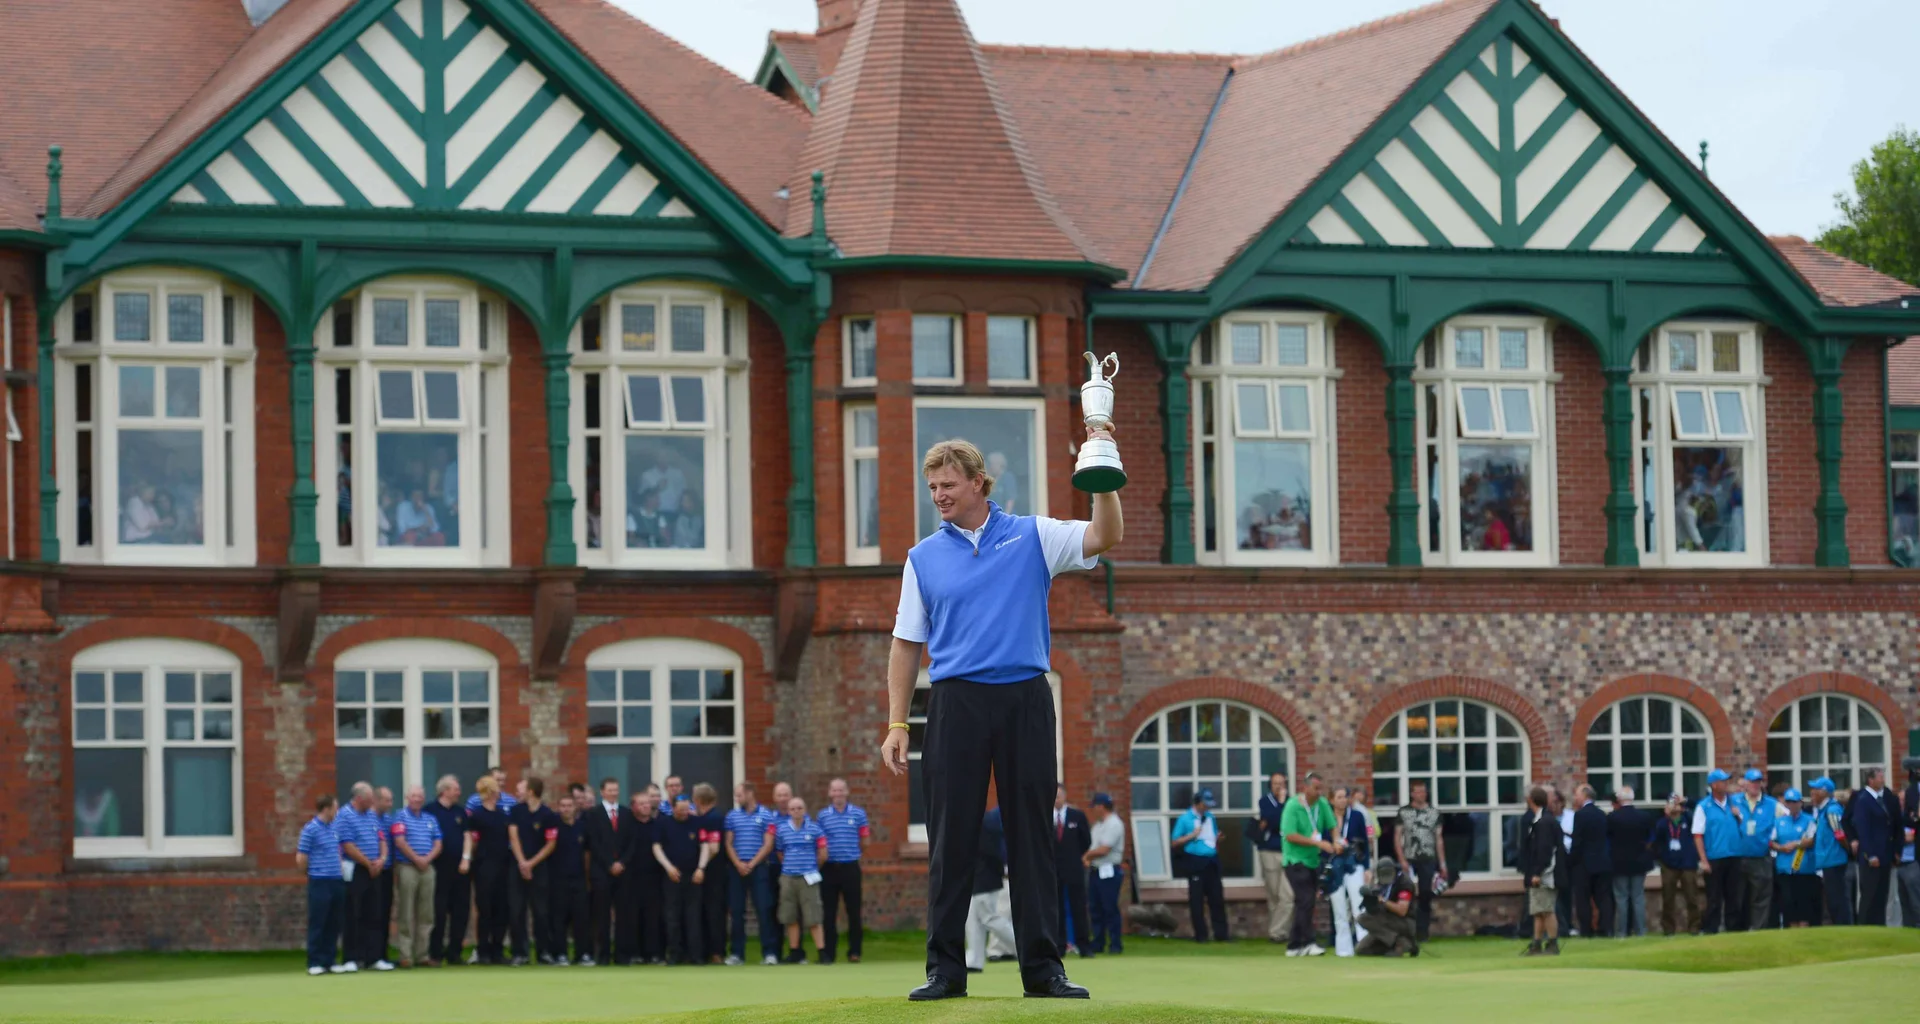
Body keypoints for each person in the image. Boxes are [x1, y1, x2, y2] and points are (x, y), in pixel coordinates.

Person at [880, 437, 1117, 1002]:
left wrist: (1104, 477)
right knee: (950, 839)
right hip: (956, 702)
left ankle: (1043, 970)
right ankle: (945, 971)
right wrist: (897, 723)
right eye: (932, 486)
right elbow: (905, 644)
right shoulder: (922, 558)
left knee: (1033, 837)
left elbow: (1105, 535)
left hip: (1025, 698)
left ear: (979, 484)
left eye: (948, 485)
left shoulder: (1033, 535)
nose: (938, 495)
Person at [336, 782, 393, 971]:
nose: (373, 802)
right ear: (359, 799)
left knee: (374, 912)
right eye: (370, 799)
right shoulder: (345, 815)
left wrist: (382, 859)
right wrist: (368, 863)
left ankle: (373, 957)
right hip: (356, 869)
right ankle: (351, 958)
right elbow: (347, 845)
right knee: (353, 913)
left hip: (375, 868)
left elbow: (381, 838)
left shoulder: (371, 814)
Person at [1281, 772, 1338, 957]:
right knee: (1305, 899)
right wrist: (1317, 843)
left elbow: (1332, 825)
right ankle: (1308, 942)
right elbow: (1290, 835)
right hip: (1294, 860)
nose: (1319, 792)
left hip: (1313, 860)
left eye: (1320, 788)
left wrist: (1336, 841)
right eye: (1315, 788)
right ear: (1304, 788)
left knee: (1305, 902)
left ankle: (1294, 945)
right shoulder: (1292, 806)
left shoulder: (1322, 804)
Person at [723, 782, 779, 966]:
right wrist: (738, 863)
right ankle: (737, 954)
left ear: (750, 793)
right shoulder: (732, 816)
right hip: (737, 868)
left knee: (763, 909)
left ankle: (769, 953)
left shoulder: (766, 815)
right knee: (737, 911)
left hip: (759, 867)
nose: (737, 798)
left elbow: (768, 843)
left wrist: (752, 863)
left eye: (739, 795)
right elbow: (728, 843)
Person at [506, 777, 560, 966]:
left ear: (530, 791)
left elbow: (551, 843)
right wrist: (522, 863)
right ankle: (520, 953)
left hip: (540, 869)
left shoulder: (548, 814)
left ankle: (543, 951)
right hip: (517, 868)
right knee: (516, 911)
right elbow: (513, 837)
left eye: (521, 788)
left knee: (541, 912)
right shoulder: (515, 811)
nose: (517, 791)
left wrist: (532, 863)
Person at [816, 778, 870, 964]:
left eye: (841, 790)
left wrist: (853, 853)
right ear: (830, 793)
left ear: (847, 792)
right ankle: (829, 953)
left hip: (850, 867)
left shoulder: (858, 814)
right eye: (834, 790)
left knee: (853, 911)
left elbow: (865, 841)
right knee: (828, 913)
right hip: (830, 868)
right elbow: (820, 843)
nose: (838, 794)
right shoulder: (823, 816)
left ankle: (855, 952)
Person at [461, 774, 513, 964]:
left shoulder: (503, 816)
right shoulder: (476, 816)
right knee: (485, 908)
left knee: (502, 908)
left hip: (503, 864)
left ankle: (497, 949)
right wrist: (468, 858)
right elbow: (472, 840)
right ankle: (483, 950)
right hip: (484, 865)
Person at [771, 796, 830, 963]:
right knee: (790, 916)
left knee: (813, 916)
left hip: (808, 877)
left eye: (799, 808)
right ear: (788, 811)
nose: (796, 812)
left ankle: (822, 952)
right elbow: (780, 852)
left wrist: (811, 867)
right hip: (788, 877)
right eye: (793, 809)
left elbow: (823, 853)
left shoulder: (815, 829)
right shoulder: (782, 830)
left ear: (805, 810)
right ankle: (795, 951)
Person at [391, 784, 443, 968]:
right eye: (414, 796)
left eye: (420, 796)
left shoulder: (430, 818)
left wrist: (426, 859)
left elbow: (438, 843)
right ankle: (405, 955)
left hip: (427, 868)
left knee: (426, 913)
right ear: (407, 797)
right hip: (407, 867)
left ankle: (422, 955)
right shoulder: (399, 816)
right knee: (406, 911)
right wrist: (416, 859)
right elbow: (399, 842)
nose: (417, 799)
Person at [654, 795, 709, 964]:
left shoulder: (698, 822)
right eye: (681, 809)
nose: (685, 813)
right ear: (673, 808)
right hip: (672, 876)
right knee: (672, 917)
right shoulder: (663, 823)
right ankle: (675, 954)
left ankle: (696, 955)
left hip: (693, 877)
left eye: (687, 809)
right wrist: (668, 867)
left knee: (693, 917)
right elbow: (656, 847)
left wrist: (701, 868)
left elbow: (705, 846)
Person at [299, 794, 348, 975]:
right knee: (318, 922)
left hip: (336, 880)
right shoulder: (310, 829)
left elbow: (337, 851)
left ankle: (329, 960)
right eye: (335, 808)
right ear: (326, 809)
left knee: (333, 922)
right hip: (319, 881)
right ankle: (314, 962)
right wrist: (312, 873)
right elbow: (302, 857)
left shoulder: (334, 828)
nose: (337, 811)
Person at [1172, 789, 1230, 943]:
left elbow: (1212, 836)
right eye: (1205, 804)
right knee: (1197, 900)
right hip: (1195, 860)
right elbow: (1175, 841)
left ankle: (1221, 934)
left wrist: (1218, 838)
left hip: (1212, 860)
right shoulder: (1185, 819)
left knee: (1217, 899)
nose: (1207, 808)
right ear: (1197, 803)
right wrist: (1192, 835)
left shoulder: (1210, 817)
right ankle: (1201, 935)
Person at [425, 775, 470, 967]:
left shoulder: (461, 812)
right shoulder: (430, 811)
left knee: (461, 911)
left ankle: (455, 953)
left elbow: (467, 836)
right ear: (444, 791)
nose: (458, 792)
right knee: (438, 912)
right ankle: (435, 953)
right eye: (455, 789)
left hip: (460, 869)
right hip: (438, 868)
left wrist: (466, 858)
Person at [1692, 769, 1744, 934]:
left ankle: (1733, 928)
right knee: (1714, 897)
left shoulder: (1734, 803)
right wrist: (1704, 860)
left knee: (1733, 896)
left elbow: (1743, 828)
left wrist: (1739, 816)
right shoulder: (1703, 806)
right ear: (1714, 785)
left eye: (1727, 780)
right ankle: (1711, 928)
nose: (1726, 784)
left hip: (1734, 855)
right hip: (1714, 857)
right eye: (1723, 781)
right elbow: (1698, 835)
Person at [965, 806, 1016, 973]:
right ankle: (974, 960)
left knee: (989, 918)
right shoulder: (980, 822)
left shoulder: (984, 824)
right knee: (973, 920)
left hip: (985, 878)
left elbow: (992, 854)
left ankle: (1027, 951)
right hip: (977, 878)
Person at [1847, 766, 1899, 926]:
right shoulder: (1863, 800)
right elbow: (1863, 830)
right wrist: (1870, 854)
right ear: (1871, 780)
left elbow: (1894, 824)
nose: (1883, 780)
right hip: (1871, 856)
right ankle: (1864, 926)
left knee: (1881, 896)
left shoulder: (1886, 797)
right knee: (1869, 895)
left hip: (1885, 855)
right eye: (1880, 777)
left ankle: (1879, 926)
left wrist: (1895, 851)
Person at [580, 777, 624, 966]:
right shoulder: (593, 815)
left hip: (623, 873)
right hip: (601, 872)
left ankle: (622, 955)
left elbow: (631, 842)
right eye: (610, 790)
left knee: (623, 915)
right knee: (601, 915)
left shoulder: (627, 814)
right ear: (602, 792)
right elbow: (593, 844)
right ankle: (603, 955)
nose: (614, 793)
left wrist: (621, 862)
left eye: (616, 790)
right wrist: (609, 863)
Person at [1394, 780, 1443, 943]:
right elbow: (1397, 837)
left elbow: (1439, 839)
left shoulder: (1434, 813)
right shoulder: (1404, 812)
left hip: (1428, 858)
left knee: (1425, 894)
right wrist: (1402, 860)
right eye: (1418, 792)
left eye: (1424, 791)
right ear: (1412, 793)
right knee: (1406, 894)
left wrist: (1442, 864)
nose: (1421, 794)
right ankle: (1407, 930)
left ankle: (1423, 932)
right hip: (1409, 857)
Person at [1519, 785, 1563, 956]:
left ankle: (1552, 944)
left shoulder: (1544, 822)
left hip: (1546, 874)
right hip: (1540, 873)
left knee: (1546, 910)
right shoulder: (1541, 820)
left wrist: (1537, 872)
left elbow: (1545, 851)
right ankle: (1536, 943)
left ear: (1531, 800)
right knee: (1538, 911)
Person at [623, 790, 666, 965]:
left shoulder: (658, 825)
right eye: (641, 804)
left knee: (653, 917)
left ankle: (653, 954)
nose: (646, 806)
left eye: (647, 803)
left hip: (654, 878)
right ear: (633, 807)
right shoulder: (627, 826)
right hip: (631, 879)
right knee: (632, 917)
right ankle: (634, 953)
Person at [1732, 768, 1778, 931]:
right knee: (1738, 896)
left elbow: (1785, 822)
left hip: (1761, 856)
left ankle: (1758, 929)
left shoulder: (1772, 804)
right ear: (1745, 784)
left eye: (1758, 782)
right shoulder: (1734, 801)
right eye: (1752, 782)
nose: (1755, 785)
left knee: (1761, 896)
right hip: (1738, 856)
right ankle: (1739, 929)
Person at [1649, 794, 1701, 935]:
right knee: (1668, 898)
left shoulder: (1688, 819)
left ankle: (1694, 927)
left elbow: (1699, 809)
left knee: (1692, 897)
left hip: (1688, 863)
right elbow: (1655, 840)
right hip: (1669, 864)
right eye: (1671, 804)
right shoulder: (1662, 823)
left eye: (1676, 804)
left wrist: (1686, 802)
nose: (1674, 807)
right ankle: (1668, 929)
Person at [1605, 786, 1652, 937]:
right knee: (1638, 897)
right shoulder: (1644, 816)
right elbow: (1650, 838)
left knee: (1621, 898)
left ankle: (1621, 932)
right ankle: (1640, 930)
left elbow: (1608, 839)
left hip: (1619, 863)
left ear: (1619, 799)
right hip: (1639, 861)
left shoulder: (1612, 818)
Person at [1051, 786, 1093, 957]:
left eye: (1059, 796)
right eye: (1054, 797)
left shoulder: (1077, 816)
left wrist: (1075, 858)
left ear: (1065, 796)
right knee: (1056, 909)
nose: (1056, 800)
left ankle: (1084, 945)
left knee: (1079, 907)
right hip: (1054, 870)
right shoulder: (1046, 817)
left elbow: (1086, 841)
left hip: (1074, 869)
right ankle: (1059, 946)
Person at [1329, 786, 1370, 957]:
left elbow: (1365, 843)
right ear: (1331, 800)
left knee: (1359, 905)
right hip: (1334, 865)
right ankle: (1344, 950)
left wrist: (1367, 867)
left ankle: (1365, 945)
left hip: (1354, 863)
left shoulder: (1357, 816)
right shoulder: (1326, 817)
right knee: (1339, 910)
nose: (1343, 800)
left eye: (1345, 797)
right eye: (1339, 797)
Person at [1567, 784, 1612, 938]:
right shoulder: (1602, 814)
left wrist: (1571, 860)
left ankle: (1586, 930)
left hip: (1584, 864)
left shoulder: (1580, 815)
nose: (1575, 798)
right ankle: (1605, 928)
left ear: (1585, 796)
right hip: (1602, 862)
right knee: (1603, 898)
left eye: (1577, 794)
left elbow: (1577, 841)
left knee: (1583, 899)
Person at [1083, 793, 1125, 955]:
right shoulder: (1098, 825)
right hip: (1096, 870)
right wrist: (1089, 859)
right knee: (1095, 908)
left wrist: (1086, 856)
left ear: (1101, 806)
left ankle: (1115, 943)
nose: (1093, 810)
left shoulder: (1114, 824)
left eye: (1095, 806)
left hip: (1109, 870)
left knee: (1110, 908)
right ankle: (1098, 942)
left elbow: (1104, 849)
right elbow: (1094, 846)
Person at [691, 783, 729, 964]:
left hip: (714, 873)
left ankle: (716, 952)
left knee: (714, 912)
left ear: (698, 800)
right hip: (711, 872)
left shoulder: (713, 819)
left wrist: (701, 867)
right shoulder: (706, 817)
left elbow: (713, 847)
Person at [1771, 788, 1819, 928]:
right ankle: (1791, 928)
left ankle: (1804, 928)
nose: (1792, 805)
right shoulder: (1779, 822)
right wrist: (1781, 848)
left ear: (1801, 803)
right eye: (1789, 802)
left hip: (1804, 868)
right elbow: (1771, 841)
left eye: (1795, 802)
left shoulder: (1809, 820)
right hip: (1785, 868)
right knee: (1788, 902)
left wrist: (1796, 844)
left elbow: (1811, 840)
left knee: (1804, 902)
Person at [1255, 772, 1293, 944]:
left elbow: (1289, 823)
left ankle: (1276, 932)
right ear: (1270, 785)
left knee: (1288, 895)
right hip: (1269, 852)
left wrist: (1284, 803)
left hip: (1288, 852)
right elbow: (1273, 820)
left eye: (1282, 783)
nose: (1279, 787)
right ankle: (1280, 933)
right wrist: (1280, 804)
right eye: (1275, 783)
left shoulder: (1291, 802)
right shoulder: (1264, 801)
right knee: (1274, 896)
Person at [552, 791, 589, 965]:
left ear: (575, 808)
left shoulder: (582, 827)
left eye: (569, 806)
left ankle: (582, 954)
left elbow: (587, 853)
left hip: (579, 879)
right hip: (558, 880)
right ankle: (560, 954)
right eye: (563, 806)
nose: (566, 809)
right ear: (558, 808)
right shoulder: (554, 827)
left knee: (581, 918)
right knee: (559, 919)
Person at [1808, 777, 1851, 926]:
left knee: (1837, 899)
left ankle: (1843, 927)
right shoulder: (1823, 811)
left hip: (1834, 860)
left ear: (1824, 792)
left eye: (1815, 789)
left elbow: (1840, 834)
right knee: (1832, 899)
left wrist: (1849, 851)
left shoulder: (1831, 810)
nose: (1811, 792)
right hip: (1827, 860)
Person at [1354, 860, 1419, 957]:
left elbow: (1402, 911)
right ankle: (1400, 944)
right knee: (1361, 949)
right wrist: (1370, 898)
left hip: (1405, 922)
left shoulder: (1405, 883)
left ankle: (1400, 943)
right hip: (1386, 921)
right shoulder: (1379, 882)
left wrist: (1382, 901)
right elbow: (1373, 911)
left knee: (1362, 919)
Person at [373, 786, 399, 960]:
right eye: (387, 800)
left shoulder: (389, 820)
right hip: (372, 870)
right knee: (371, 913)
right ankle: (368, 954)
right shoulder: (368, 819)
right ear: (377, 800)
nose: (390, 804)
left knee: (385, 913)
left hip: (387, 871)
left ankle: (382, 954)